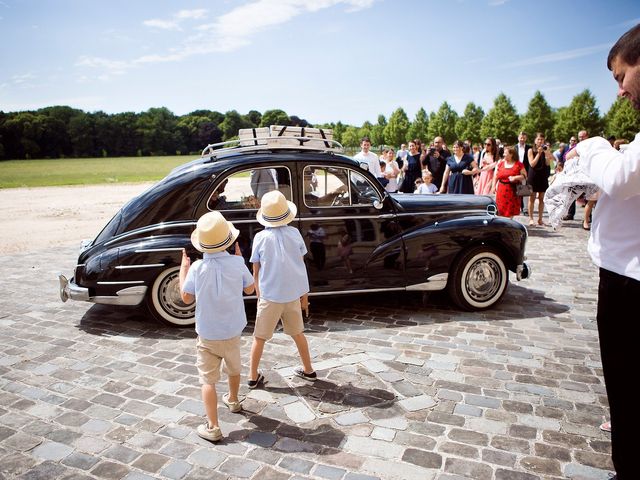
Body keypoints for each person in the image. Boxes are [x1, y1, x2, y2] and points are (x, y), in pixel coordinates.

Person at [564, 23, 640, 480]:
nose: (619, 91)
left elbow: (621, 178)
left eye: (620, 76)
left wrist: (590, 146)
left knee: (628, 388)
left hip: (631, 282)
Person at [179, 211, 255, 442]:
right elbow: (250, 289)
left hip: (208, 333)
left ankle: (213, 426)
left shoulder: (197, 268)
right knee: (234, 368)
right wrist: (239, 260)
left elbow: (186, 298)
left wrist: (183, 268)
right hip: (232, 330)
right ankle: (233, 399)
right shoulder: (237, 262)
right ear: (230, 241)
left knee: (208, 380)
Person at [247, 190, 317, 388]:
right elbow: (300, 266)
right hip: (292, 295)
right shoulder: (294, 233)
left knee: (259, 338)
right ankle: (309, 370)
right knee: (298, 334)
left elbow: (256, 271)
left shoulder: (260, 238)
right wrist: (304, 295)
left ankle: (253, 376)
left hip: (269, 296)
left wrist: (259, 296)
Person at [491, 146, 527, 219]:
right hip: (501, 190)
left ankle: (508, 226)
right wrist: (493, 186)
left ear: (511, 154)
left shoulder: (519, 164)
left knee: (510, 211)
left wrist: (515, 177)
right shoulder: (500, 163)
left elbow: (525, 176)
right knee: (499, 210)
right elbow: (496, 176)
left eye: (505, 153)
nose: (503, 154)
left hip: (513, 191)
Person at [526, 132, 553, 226]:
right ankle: (531, 219)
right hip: (533, 176)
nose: (540, 141)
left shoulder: (545, 150)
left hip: (543, 175)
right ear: (535, 140)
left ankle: (540, 219)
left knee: (542, 198)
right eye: (538, 139)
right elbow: (532, 164)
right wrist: (538, 153)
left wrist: (547, 154)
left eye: (542, 139)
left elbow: (548, 164)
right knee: (532, 198)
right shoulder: (530, 150)